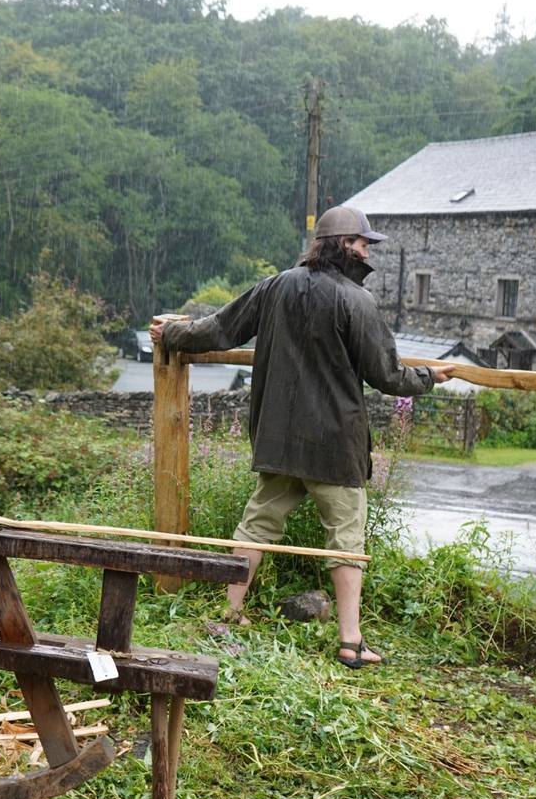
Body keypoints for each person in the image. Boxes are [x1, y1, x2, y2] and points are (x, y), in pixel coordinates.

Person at [150, 206, 454, 669]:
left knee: (257, 526)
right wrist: (430, 377)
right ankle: (351, 642)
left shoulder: (277, 286)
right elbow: (387, 375)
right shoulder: (357, 301)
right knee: (346, 540)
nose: (369, 252)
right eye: (364, 243)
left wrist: (173, 332)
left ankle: (230, 616)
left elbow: (220, 329)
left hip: (280, 438)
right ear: (344, 245)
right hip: (334, 445)